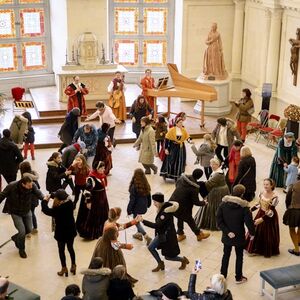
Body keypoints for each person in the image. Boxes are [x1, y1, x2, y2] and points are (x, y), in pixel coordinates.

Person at [217, 184, 255, 284]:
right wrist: (252, 234)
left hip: (227, 236)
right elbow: (249, 223)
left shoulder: (223, 204)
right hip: (239, 236)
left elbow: (219, 221)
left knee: (226, 255)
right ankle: (238, 278)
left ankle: (222, 276)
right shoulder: (244, 207)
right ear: (242, 194)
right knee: (239, 256)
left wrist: (227, 232)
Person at [141, 193, 190, 272]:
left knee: (168, 257)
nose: (154, 204)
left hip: (167, 236)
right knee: (151, 247)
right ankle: (160, 263)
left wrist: (143, 221)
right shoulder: (164, 208)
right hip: (162, 234)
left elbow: (157, 225)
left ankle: (182, 260)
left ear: (160, 202)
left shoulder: (165, 213)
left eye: (155, 202)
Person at [0, 176, 46, 258]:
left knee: (29, 229)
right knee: (22, 231)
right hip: (15, 212)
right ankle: (22, 249)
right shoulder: (12, 186)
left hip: (27, 210)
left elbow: (38, 192)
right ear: (23, 184)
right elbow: (2, 195)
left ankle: (15, 238)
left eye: (31, 185)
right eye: (29, 186)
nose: (31, 187)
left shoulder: (32, 185)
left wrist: (44, 198)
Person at [42, 189, 77, 277]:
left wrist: (45, 200)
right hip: (71, 230)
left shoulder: (58, 209)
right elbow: (60, 195)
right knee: (70, 248)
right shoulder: (70, 203)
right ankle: (73, 265)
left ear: (58, 199)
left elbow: (46, 210)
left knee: (61, 251)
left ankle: (64, 268)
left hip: (61, 232)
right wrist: (52, 195)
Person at [168, 169, 210, 242]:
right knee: (190, 220)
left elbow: (176, 185)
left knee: (179, 217)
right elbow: (196, 202)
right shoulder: (194, 188)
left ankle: (180, 234)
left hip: (173, 201)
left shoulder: (182, 178)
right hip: (184, 206)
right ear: (199, 177)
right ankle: (199, 234)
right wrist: (204, 202)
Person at [245, 178, 279, 257]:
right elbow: (259, 204)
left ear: (271, 185)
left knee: (267, 233)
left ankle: (262, 249)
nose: (265, 186)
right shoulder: (261, 193)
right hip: (261, 213)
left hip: (269, 217)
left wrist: (261, 219)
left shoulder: (275, 197)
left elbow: (271, 212)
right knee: (256, 230)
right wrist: (251, 209)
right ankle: (253, 248)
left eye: (267, 184)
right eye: (264, 184)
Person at [76, 161, 109, 240]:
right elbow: (87, 191)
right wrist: (88, 202)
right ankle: (91, 233)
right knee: (94, 217)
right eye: (101, 168)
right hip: (96, 201)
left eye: (104, 168)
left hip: (102, 199)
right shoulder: (91, 178)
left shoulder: (102, 176)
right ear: (97, 168)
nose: (103, 170)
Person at [195, 158, 229, 231]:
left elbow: (208, 184)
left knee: (214, 205)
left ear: (217, 165)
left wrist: (198, 184)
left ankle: (215, 222)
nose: (211, 166)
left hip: (218, 192)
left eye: (213, 164)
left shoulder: (218, 174)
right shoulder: (217, 172)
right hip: (219, 190)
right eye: (211, 164)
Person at [127, 168, 152, 245]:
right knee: (138, 218)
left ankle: (146, 236)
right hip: (143, 206)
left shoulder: (134, 187)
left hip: (136, 208)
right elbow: (149, 195)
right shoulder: (145, 184)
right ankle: (138, 234)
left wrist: (128, 210)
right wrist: (148, 204)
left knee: (136, 222)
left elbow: (132, 200)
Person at [19, 160, 40, 234]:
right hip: (35, 199)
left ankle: (28, 231)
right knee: (32, 213)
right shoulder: (33, 176)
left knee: (28, 215)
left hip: (28, 199)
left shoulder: (25, 178)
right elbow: (38, 187)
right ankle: (35, 228)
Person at [283, 178, 300, 256]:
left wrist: (288, 208)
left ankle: (296, 249)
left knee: (292, 229)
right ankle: (298, 241)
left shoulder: (293, 186)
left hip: (294, 210)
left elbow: (287, 199)